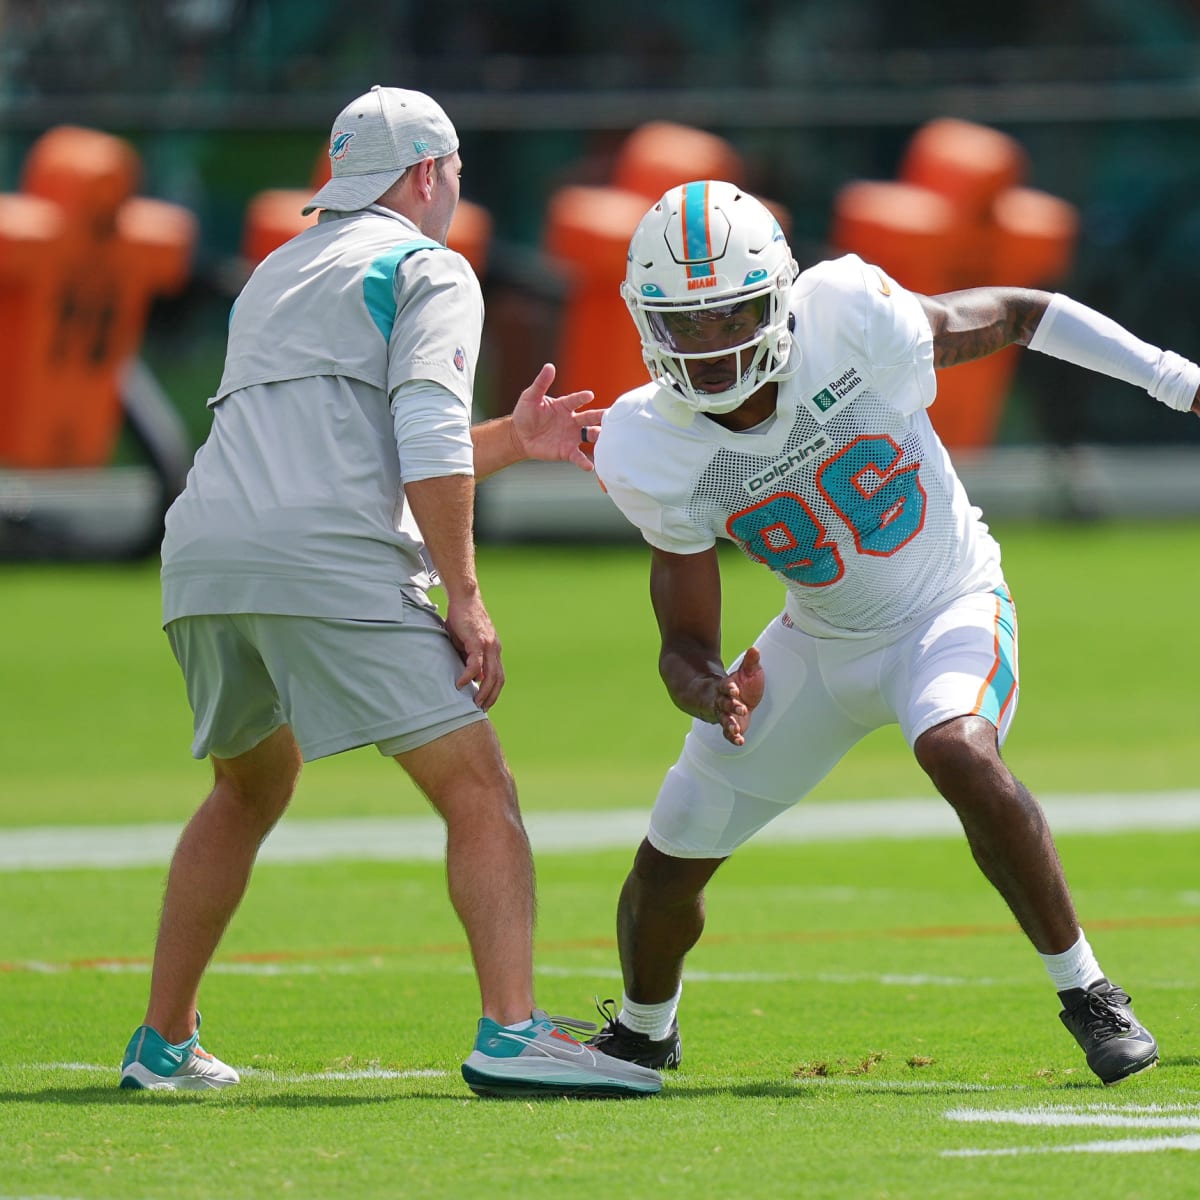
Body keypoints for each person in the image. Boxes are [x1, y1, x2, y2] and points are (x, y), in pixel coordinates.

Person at [588, 179, 1198, 1085]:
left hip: (947, 600)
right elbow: (683, 632)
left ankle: (1089, 993)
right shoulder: (648, 441)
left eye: (732, 316)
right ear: (646, 322)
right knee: (670, 855)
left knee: (956, 747)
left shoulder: (846, 315)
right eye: (684, 324)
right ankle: (642, 1032)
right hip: (819, 640)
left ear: (780, 300)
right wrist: (706, 680)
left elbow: (1024, 312)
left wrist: (1175, 379)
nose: (710, 348)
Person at [118, 86, 661, 1101]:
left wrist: (515, 437)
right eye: (452, 170)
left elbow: (347, 435)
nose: (456, 188)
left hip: (202, 553)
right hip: (320, 553)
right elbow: (419, 432)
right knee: (478, 787)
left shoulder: (278, 270)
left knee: (247, 788)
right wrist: (466, 594)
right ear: (426, 174)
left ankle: (162, 1044)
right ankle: (510, 1032)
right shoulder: (429, 265)